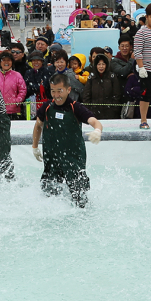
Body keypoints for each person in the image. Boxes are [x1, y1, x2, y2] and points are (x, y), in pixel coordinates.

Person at [31, 75, 102, 207]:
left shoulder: (75, 107)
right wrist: (34, 147)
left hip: (73, 159)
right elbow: (38, 125)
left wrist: (97, 131)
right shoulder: (47, 107)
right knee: (48, 195)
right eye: (53, 91)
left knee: (80, 198)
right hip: (52, 158)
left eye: (59, 90)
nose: (56, 95)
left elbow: (94, 121)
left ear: (68, 90)